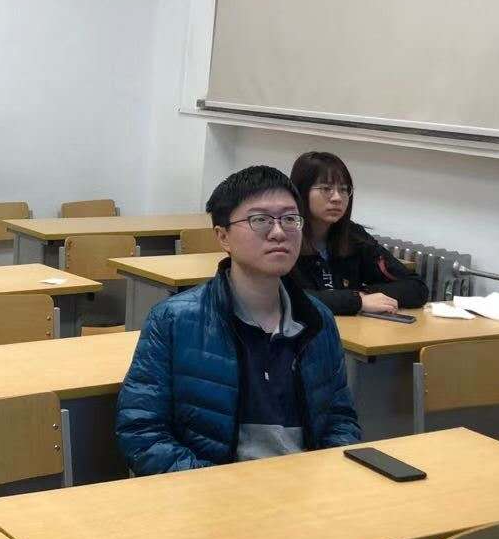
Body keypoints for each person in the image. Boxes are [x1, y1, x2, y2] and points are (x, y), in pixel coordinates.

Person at [115, 165, 359, 474]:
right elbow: (142, 431)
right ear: (223, 237)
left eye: (290, 219)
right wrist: (216, 485)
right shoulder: (174, 320)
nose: (279, 232)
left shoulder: (317, 320)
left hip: (306, 488)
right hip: (209, 489)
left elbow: (340, 419)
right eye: (260, 220)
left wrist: (326, 475)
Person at [288, 151, 429, 316]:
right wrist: (357, 301)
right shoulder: (282, 237)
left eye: (344, 189)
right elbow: (284, 298)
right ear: (301, 191)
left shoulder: (354, 236)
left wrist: (364, 295)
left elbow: (416, 287)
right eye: (326, 189)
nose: (337, 198)